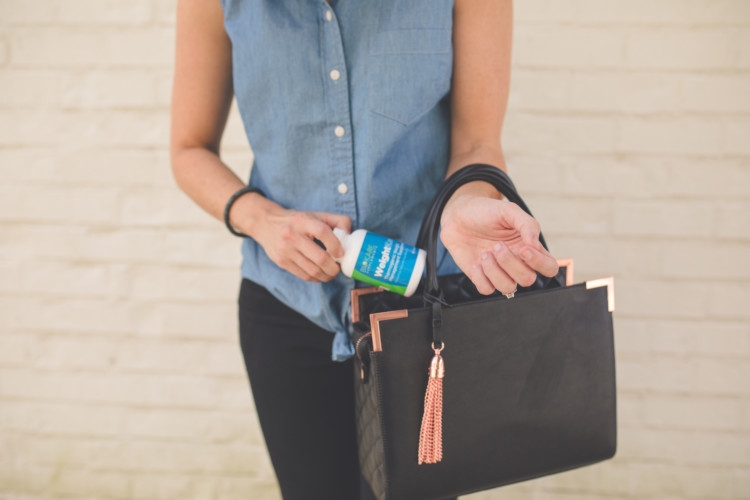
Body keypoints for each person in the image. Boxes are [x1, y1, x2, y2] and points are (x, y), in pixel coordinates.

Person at [170, 0, 559, 498]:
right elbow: (188, 149)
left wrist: (465, 203)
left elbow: (477, 143)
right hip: (288, 309)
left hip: (425, 318)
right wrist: (262, 220)